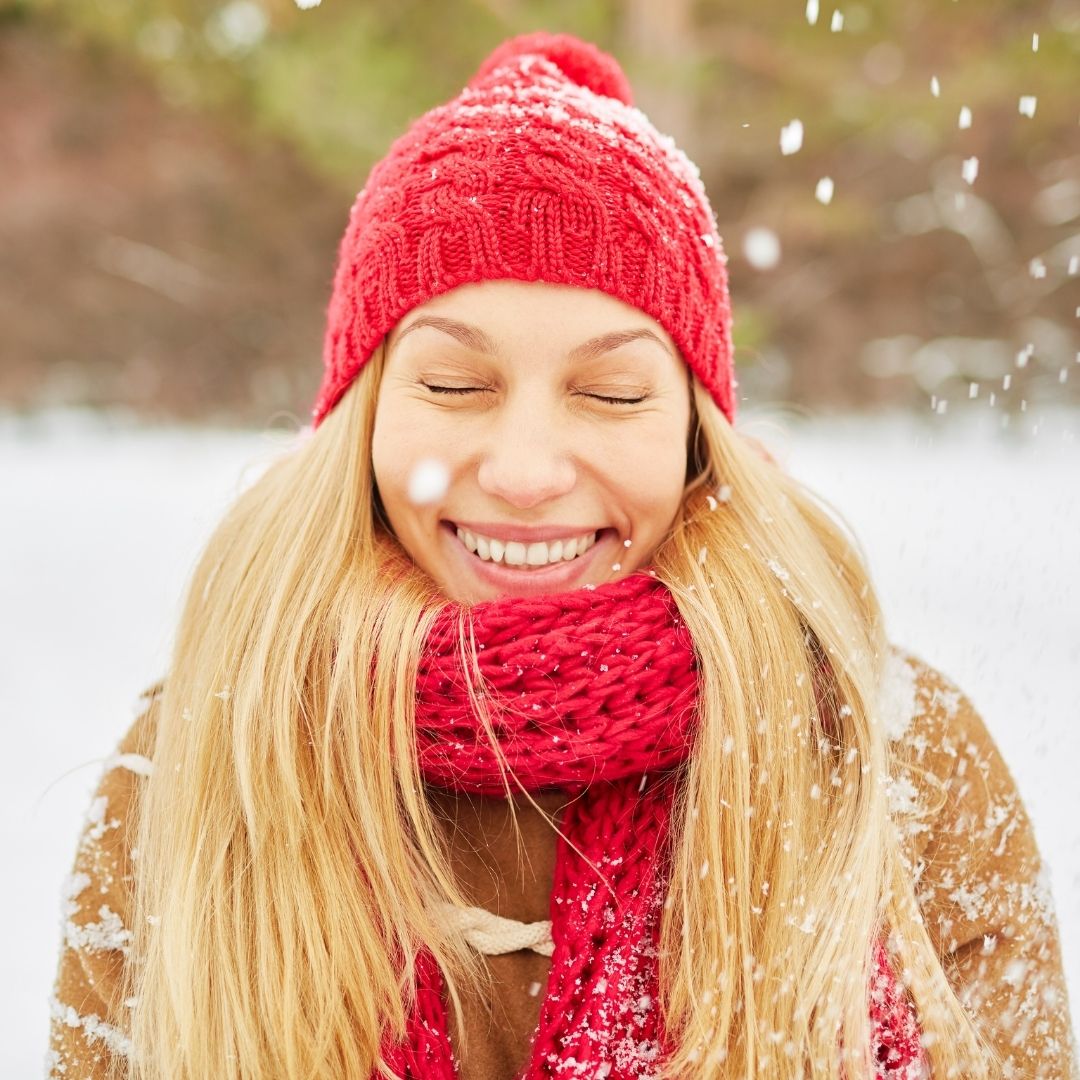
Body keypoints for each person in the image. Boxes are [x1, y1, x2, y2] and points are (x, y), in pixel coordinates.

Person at [47, 31, 1076, 1080]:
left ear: (692, 439)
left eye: (611, 393)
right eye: (455, 385)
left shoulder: (889, 754)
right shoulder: (199, 760)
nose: (528, 470)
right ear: (362, 421)